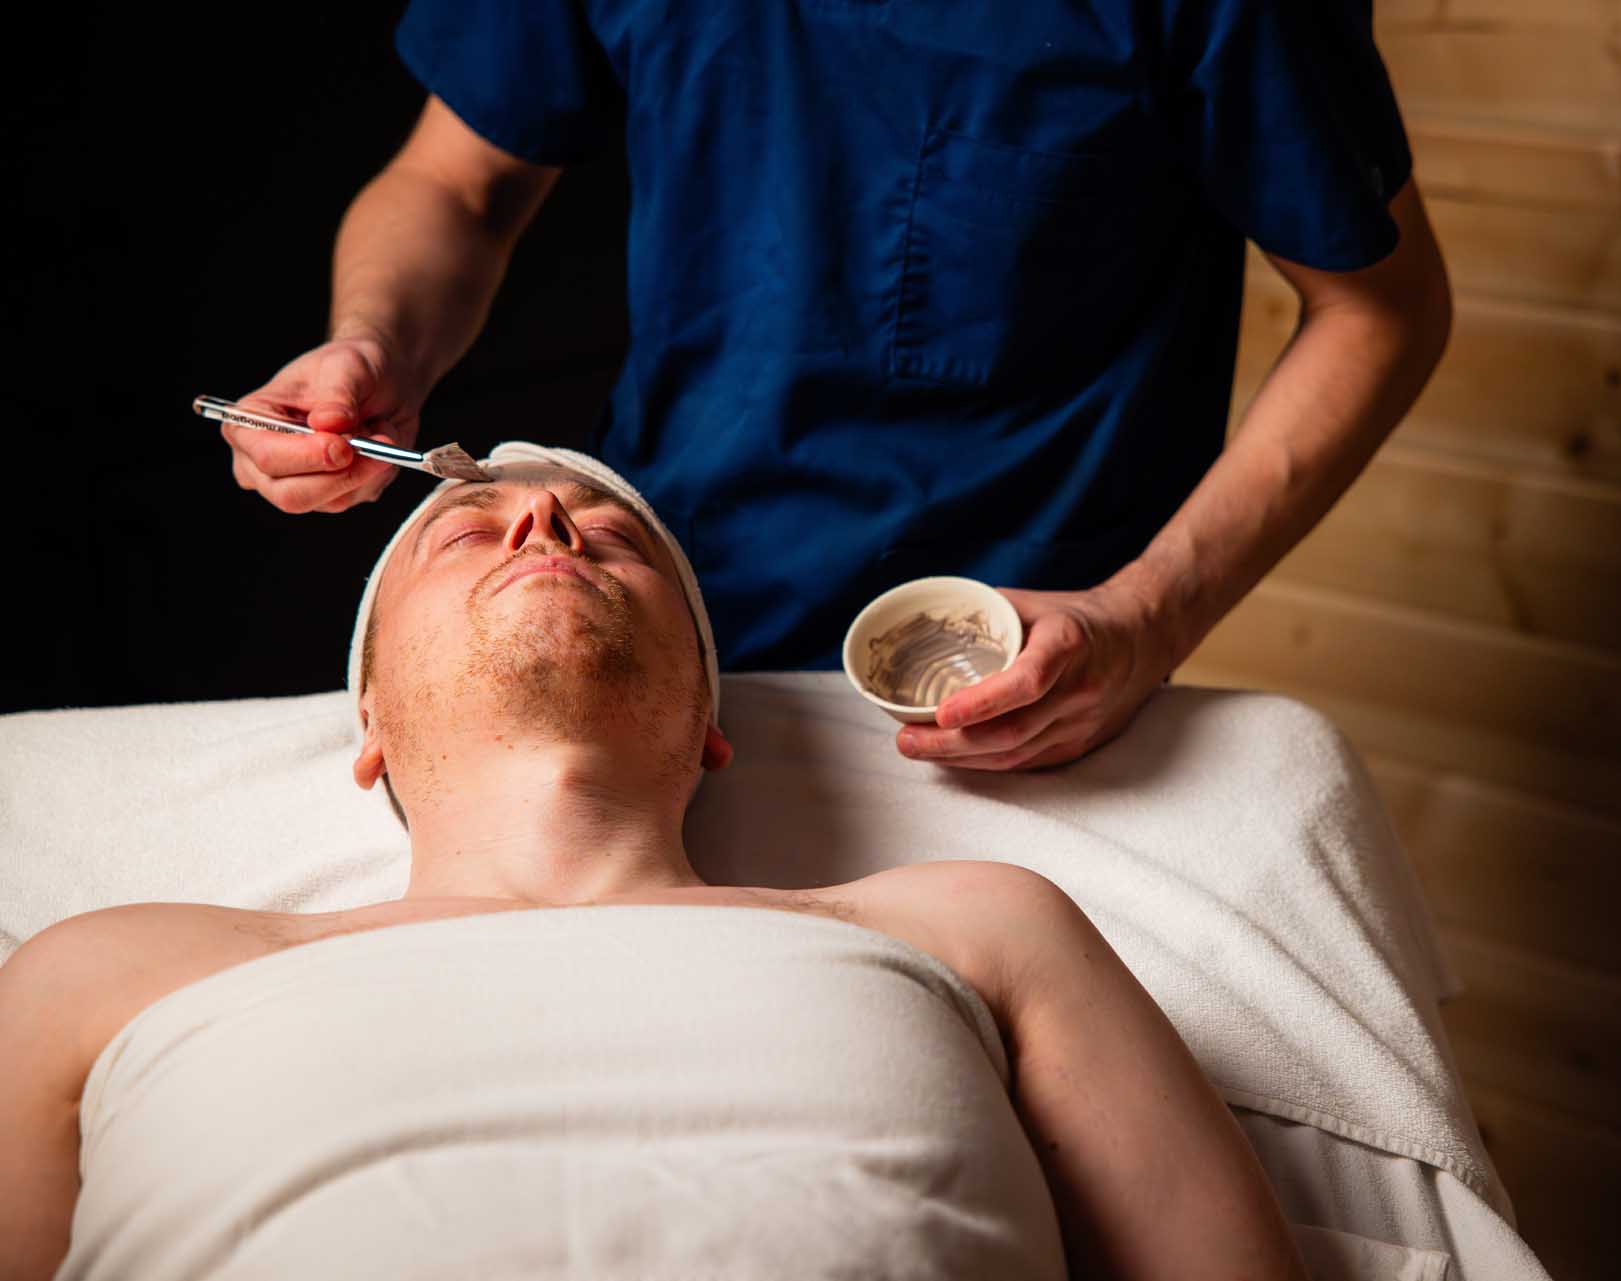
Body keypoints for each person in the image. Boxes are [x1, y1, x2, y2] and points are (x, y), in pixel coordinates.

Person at [0, 451, 1308, 1281]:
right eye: (467, 529)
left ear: (710, 723)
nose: (547, 521)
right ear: (369, 723)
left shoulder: (976, 923)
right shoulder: (111, 966)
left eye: (613, 539)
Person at [216, 1, 1452, 775]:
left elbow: (1380, 313)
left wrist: (1147, 619)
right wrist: (373, 341)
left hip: (1012, 689)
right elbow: (455, 185)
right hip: (672, 628)